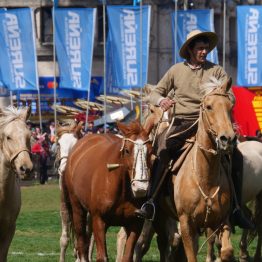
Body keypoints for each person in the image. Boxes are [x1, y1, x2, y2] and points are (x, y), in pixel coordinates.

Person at [135, 29, 253, 229]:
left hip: (212, 123)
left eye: (206, 48)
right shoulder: (175, 71)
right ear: (190, 49)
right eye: (200, 48)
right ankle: (151, 201)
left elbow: (230, 96)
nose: (204, 52)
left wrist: (220, 97)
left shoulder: (217, 71)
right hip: (183, 122)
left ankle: (235, 209)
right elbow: (156, 93)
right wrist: (162, 100)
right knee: (163, 150)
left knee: (236, 156)